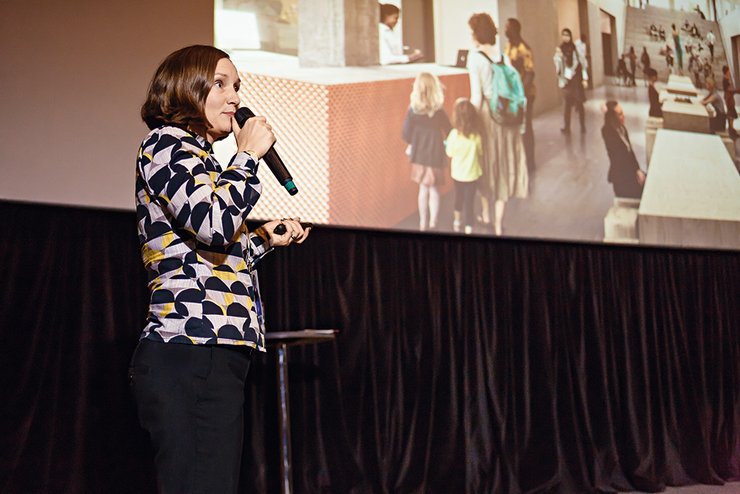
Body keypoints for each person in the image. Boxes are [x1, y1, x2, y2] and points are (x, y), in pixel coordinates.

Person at [129, 45, 311, 494]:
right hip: (189, 347)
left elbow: (209, 255)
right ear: (186, 89)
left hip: (216, 349)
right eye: (220, 84)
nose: (235, 98)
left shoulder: (203, 158)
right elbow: (214, 223)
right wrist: (247, 156)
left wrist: (264, 238)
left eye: (237, 87)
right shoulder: (165, 144)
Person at [468, 13, 528, 235]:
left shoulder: (475, 58)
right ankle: (499, 225)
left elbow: (476, 97)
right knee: (503, 166)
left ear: (476, 33)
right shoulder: (502, 55)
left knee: (487, 165)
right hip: (507, 118)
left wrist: (467, 122)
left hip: (488, 117)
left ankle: (486, 215)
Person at [402, 72, 451, 231]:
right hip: (436, 153)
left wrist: (414, 141)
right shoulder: (439, 111)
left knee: (423, 189)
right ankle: (433, 222)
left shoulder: (413, 110)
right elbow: (449, 130)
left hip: (419, 155)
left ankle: (423, 223)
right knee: (434, 189)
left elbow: (405, 133)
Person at [446, 98, 483, 234]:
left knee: (458, 198)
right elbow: (480, 152)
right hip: (472, 175)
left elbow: (449, 153)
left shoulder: (453, 135)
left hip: (457, 174)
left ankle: (457, 222)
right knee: (469, 201)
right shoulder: (476, 136)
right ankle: (469, 227)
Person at [504, 17, 537, 173]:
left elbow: (530, 74)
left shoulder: (524, 49)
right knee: (515, 127)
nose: (505, 30)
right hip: (512, 95)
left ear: (515, 30)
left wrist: (520, 94)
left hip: (525, 95)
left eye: (508, 27)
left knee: (526, 127)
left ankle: (530, 162)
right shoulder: (508, 47)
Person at [601, 101, 646, 199]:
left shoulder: (622, 129)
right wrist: (636, 174)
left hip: (631, 171)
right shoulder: (607, 132)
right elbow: (621, 157)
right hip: (622, 177)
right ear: (612, 117)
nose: (623, 116)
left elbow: (630, 152)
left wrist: (638, 170)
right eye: (620, 114)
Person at [554, 28, 588, 133]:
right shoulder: (560, 49)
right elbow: (558, 64)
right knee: (567, 105)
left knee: (580, 103)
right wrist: (559, 58)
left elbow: (581, 63)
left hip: (576, 80)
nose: (565, 37)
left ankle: (583, 126)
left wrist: (584, 78)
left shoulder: (575, 48)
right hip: (567, 81)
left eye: (567, 35)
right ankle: (567, 127)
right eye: (563, 35)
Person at [722, 65, 738, 137]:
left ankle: (731, 128)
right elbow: (728, 89)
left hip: (729, 97)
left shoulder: (727, 79)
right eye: (728, 71)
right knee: (731, 113)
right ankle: (731, 129)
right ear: (726, 71)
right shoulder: (725, 79)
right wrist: (736, 90)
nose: (729, 72)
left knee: (732, 112)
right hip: (729, 98)